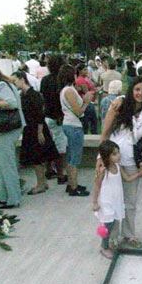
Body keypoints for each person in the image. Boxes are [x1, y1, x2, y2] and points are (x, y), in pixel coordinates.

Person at [100, 76, 142, 249]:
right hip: (112, 161)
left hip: (133, 162)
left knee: (130, 202)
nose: (140, 93)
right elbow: (104, 134)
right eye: (137, 89)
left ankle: (129, 235)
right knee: (112, 201)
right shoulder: (119, 106)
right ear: (131, 90)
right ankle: (111, 237)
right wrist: (100, 160)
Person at [11, 71, 59, 195]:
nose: (14, 83)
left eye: (15, 81)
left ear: (22, 79)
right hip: (31, 129)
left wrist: (39, 132)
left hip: (35, 129)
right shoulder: (25, 95)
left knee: (36, 158)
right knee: (37, 157)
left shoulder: (33, 95)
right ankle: (42, 182)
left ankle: (41, 184)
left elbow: (40, 114)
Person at [92, 140, 140, 259]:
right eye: (114, 154)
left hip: (116, 200)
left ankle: (107, 243)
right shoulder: (104, 170)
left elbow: (127, 179)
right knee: (107, 224)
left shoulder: (118, 166)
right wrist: (94, 202)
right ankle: (104, 247)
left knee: (112, 222)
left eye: (118, 153)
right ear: (106, 156)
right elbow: (97, 185)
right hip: (106, 201)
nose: (118, 155)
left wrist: (139, 174)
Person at [0, 65, 26, 209]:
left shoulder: (0, 85)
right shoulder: (3, 84)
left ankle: (13, 198)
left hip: (7, 129)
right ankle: (4, 195)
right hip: (5, 130)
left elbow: (11, 103)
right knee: (1, 164)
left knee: (7, 164)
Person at [58, 64, 92, 196]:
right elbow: (78, 112)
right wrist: (86, 101)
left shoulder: (67, 90)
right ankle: (73, 186)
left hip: (70, 125)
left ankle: (72, 183)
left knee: (71, 156)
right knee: (75, 158)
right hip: (74, 126)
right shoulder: (69, 91)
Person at [40, 54, 68, 184]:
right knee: (60, 147)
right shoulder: (61, 81)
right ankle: (61, 174)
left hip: (47, 115)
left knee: (48, 144)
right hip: (59, 117)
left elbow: (43, 98)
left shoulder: (45, 80)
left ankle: (49, 169)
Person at [75, 63, 98, 134]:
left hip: (89, 103)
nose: (86, 71)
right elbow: (86, 93)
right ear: (79, 71)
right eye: (84, 70)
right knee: (90, 123)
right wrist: (95, 91)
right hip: (87, 103)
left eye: (87, 70)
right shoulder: (81, 80)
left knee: (92, 122)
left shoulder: (85, 79)